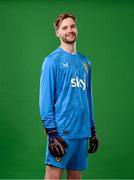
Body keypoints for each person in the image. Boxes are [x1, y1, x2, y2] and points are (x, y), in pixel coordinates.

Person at [39, 13, 99, 180]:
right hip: (62, 133)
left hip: (82, 132)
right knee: (52, 177)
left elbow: (88, 98)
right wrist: (51, 133)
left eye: (72, 26)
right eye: (64, 27)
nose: (69, 30)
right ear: (57, 32)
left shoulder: (85, 62)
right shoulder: (52, 61)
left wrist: (92, 129)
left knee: (75, 178)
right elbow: (45, 99)